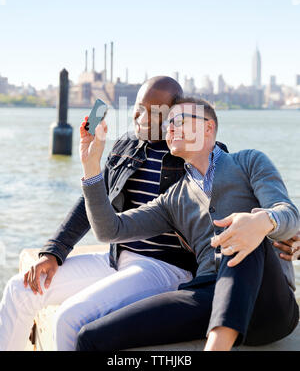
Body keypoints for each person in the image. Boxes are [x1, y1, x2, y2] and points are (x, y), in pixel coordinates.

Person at [0, 76, 217, 351]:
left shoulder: (198, 152)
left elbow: (235, 194)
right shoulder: (127, 145)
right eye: (138, 107)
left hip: (165, 269)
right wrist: (54, 252)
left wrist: (278, 231)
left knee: (70, 318)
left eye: (153, 112)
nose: (139, 115)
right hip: (116, 258)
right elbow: (92, 201)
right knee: (20, 290)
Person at [76, 96, 300, 351]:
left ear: (208, 128)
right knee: (90, 337)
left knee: (240, 228)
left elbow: (289, 214)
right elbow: (109, 230)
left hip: (267, 303)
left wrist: (262, 221)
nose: (169, 128)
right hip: (207, 296)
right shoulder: (173, 199)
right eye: (167, 124)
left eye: (179, 121)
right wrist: (91, 165)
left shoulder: (249, 162)